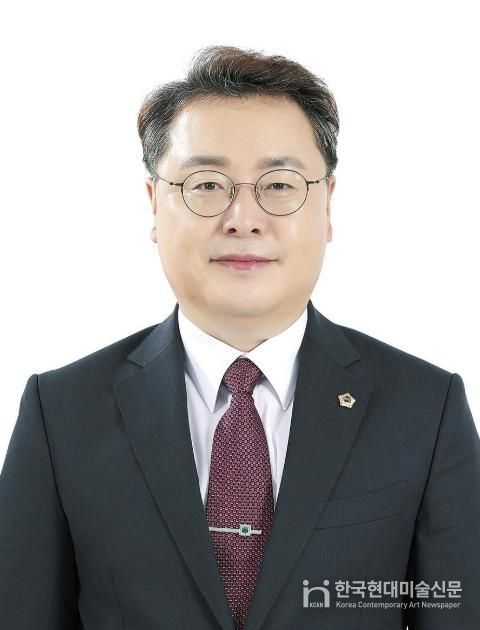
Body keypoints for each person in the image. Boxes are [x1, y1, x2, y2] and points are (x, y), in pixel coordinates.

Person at [1, 45, 479, 630]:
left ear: (328, 204)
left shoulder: (426, 411)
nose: (243, 218)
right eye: (206, 184)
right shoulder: (61, 414)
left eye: (279, 185)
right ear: (154, 205)